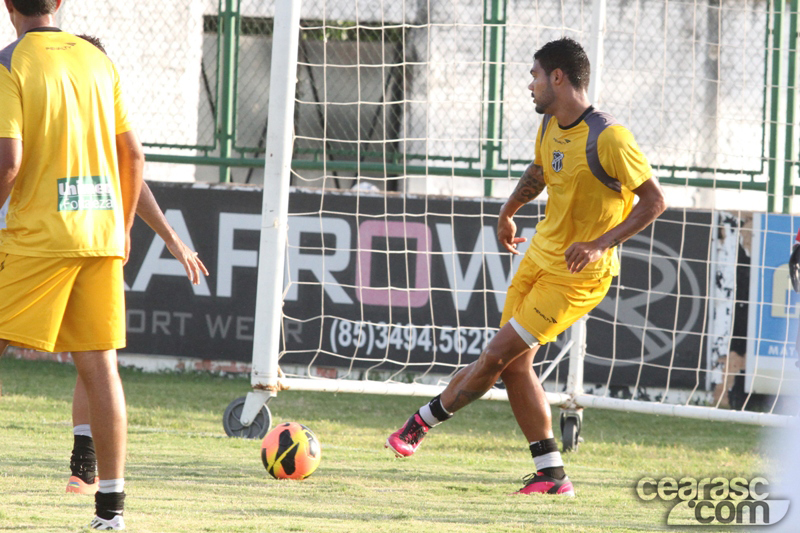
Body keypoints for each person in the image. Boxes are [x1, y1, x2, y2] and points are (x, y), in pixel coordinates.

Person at [385, 37, 667, 496]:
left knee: (495, 357)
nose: (529, 84)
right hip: (538, 255)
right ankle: (552, 476)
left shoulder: (610, 137)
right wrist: (508, 210)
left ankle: (418, 425)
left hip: (578, 276)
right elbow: (540, 171)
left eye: (534, 75)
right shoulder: (551, 125)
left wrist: (599, 244)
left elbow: (655, 201)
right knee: (514, 367)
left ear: (558, 77)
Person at [0, 1, 144, 529]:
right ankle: (111, 513)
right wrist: (122, 228)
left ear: (6, 5)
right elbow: (133, 157)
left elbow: (8, 163)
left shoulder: (10, 63)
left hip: (40, 236)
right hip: (100, 232)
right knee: (100, 368)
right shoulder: (97, 62)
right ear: (59, 2)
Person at [60, 35, 209, 498]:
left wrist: (171, 239)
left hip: (89, 242)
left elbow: (132, 173)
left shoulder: (101, 110)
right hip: (46, 240)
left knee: (97, 357)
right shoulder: (42, 97)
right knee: (98, 359)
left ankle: (85, 470)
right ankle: (96, 484)